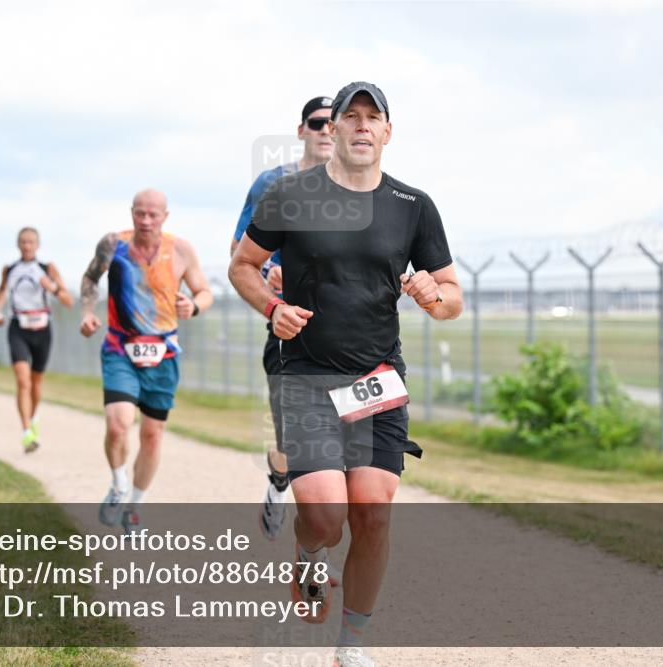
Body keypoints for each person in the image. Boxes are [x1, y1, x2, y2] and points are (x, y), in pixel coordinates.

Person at [229, 82, 463, 667]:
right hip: (307, 375)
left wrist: (434, 295)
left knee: (373, 511)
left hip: (377, 378)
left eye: (372, 117)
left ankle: (351, 646)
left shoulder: (413, 205)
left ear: (388, 132)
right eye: (349, 116)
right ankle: (310, 553)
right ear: (331, 130)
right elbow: (242, 266)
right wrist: (273, 308)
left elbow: (452, 297)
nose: (361, 126)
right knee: (325, 516)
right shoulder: (290, 196)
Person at [232, 95, 335, 541]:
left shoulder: (358, 188)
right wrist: (270, 274)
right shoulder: (273, 183)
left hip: (347, 334)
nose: (326, 130)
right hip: (289, 330)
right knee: (293, 442)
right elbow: (239, 254)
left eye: (334, 122)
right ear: (301, 130)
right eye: (317, 123)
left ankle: (324, 540)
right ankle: (279, 481)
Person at [80, 188, 213, 533]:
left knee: (152, 435)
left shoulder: (181, 250)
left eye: (153, 214)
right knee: (118, 424)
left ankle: (135, 507)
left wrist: (194, 305)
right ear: (131, 212)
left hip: (163, 354)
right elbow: (91, 278)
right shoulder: (113, 244)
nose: (146, 220)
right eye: (140, 213)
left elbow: (204, 291)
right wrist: (87, 312)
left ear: (165, 216)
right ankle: (118, 483)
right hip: (120, 348)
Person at [0, 227, 74, 453]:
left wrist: (52, 288)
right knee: (23, 381)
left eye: (31, 242)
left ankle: (33, 416)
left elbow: (68, 301)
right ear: (18, 244)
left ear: (37, 245)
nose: (27, 246)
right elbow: (2, 292)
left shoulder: (47, 268)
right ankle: (27, 432)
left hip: (42, 330)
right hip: (18, 328)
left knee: (36, 382)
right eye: (23, 242)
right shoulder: (10, 270)